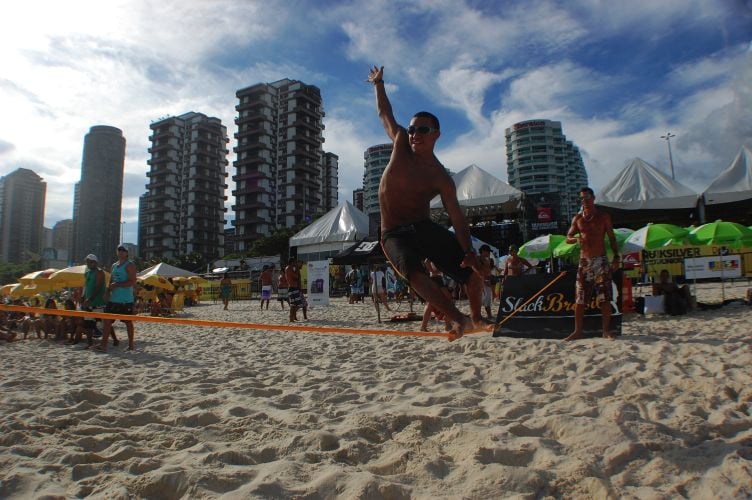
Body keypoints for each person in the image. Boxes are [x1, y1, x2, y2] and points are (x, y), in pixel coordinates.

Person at [368, 65, 484, 340]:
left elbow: (456, 217)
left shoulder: (441, 177)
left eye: (422, 129)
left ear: (436, 135)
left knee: (471, 268)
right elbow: (385, 113)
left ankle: (478, 317)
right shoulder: (400, 143)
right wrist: (378, 83)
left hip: (421, 226)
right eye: (412, 129)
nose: (414, 134)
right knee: (413, 271)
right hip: (393, 231)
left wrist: (468, 250)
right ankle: (459, 319)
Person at [564, 187, 620, 341]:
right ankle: (578, 331)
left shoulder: (603, 216)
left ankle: (606, 331)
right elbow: (567, 237)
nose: (584, 200)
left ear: (593, 197)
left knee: (605, 297)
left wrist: (616, 256)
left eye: (586, 197)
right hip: (584, 262)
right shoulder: (578, 218)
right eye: (581, 198)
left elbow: (611, 237)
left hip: (600, 260)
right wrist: (575, 239)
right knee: (580, 298)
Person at [100, 245, 137, 352]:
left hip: (125, 299)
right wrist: (107, 291)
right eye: (119, 250)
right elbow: (111, 281)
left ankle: (131, 345)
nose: (120, 252)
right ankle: (104, 345)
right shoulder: (114, 265)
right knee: (107, 320)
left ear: (127, 253)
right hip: (113, 299)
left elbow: (132, 282)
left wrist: (118, 284)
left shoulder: (130, 265)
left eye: (123, 250)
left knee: (128, 322)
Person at [79, 254, 110, 346]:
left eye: (90, 261)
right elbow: (86, 286)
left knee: (103, 324)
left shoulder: (99, 272)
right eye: (88, 262)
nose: (88, 263)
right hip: (89, 303)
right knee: (88, 324)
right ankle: (90, 343)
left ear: (95, 262)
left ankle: (112, 340)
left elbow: (98, 287)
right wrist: (83, 296)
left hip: (98, 302)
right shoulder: (88, 273)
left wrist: (90, 299)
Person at [420, 259, 452, 332]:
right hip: (436, 278)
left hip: (436, 278)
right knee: (446, 300)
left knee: (431, 303)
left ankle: (424, 326)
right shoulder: (434, 252)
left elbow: (426, 262)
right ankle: (447, 324)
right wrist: (432, 271)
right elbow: (426, 261)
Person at [478, 244, 495, 320]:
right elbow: (476, 272)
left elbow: (488, 271)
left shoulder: (489, 260)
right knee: (479, 300)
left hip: (487, 281)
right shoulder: (478, 259)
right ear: (483, 251)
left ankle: (489, 315)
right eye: (488, 251)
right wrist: (484, 281)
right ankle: (478, 316)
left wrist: (490, 277)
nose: (489, 253)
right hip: (479, 282)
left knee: (487, 299)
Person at [285, 257, 303, 322]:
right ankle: (291, 316)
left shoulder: (288, 268)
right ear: (292, 262)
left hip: (292, 287)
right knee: (296, 304)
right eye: (294, 262)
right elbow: (296, 276)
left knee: (294, 304)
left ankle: (292, 317)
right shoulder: (289, 268)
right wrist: (297, 270)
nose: (295, 263)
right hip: (293, 287)